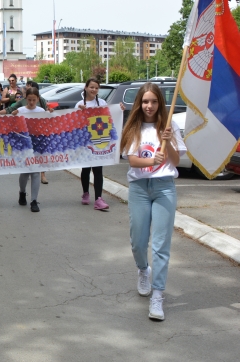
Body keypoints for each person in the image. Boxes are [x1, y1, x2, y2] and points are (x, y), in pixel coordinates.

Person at [120, 83, 184, 322]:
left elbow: (175, 162)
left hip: (164, 188)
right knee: (138, 242)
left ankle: (158, 296)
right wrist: (152, 161)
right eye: (145, 101)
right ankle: (143, 269)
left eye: (154, 101)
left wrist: (170, 144)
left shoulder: (170, 127)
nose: (149, 106)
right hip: (139, 189)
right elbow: (133, 161)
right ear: (140, 103)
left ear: (160, 103)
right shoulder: (134, 127)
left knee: (160, 245)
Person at [77, 78, 110, 210]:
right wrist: (80, 112)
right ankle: (85, 193)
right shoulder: (79, 104)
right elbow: (76, 123)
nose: (94, 90)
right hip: (85, 141)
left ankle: (98, 199)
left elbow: (110, 117)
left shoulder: (102, 103)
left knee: (98, 170)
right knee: (85, 169)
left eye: (96, 88)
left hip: (98, 141)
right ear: (86, 88)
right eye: (91, 87)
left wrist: (120, 109)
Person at [13, 87, 47, 212]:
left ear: (38, 99)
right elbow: (13, 125)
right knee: (25, 172)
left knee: (35, 171)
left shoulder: (41, 110)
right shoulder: (20, 110)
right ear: (25, 99)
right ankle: (22, 192)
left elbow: (46, 125)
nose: (31, 102)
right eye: (29, 100)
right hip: (24, 144)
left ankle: (34, 200)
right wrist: (12, 116)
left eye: (34, 100)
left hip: (37, 144)